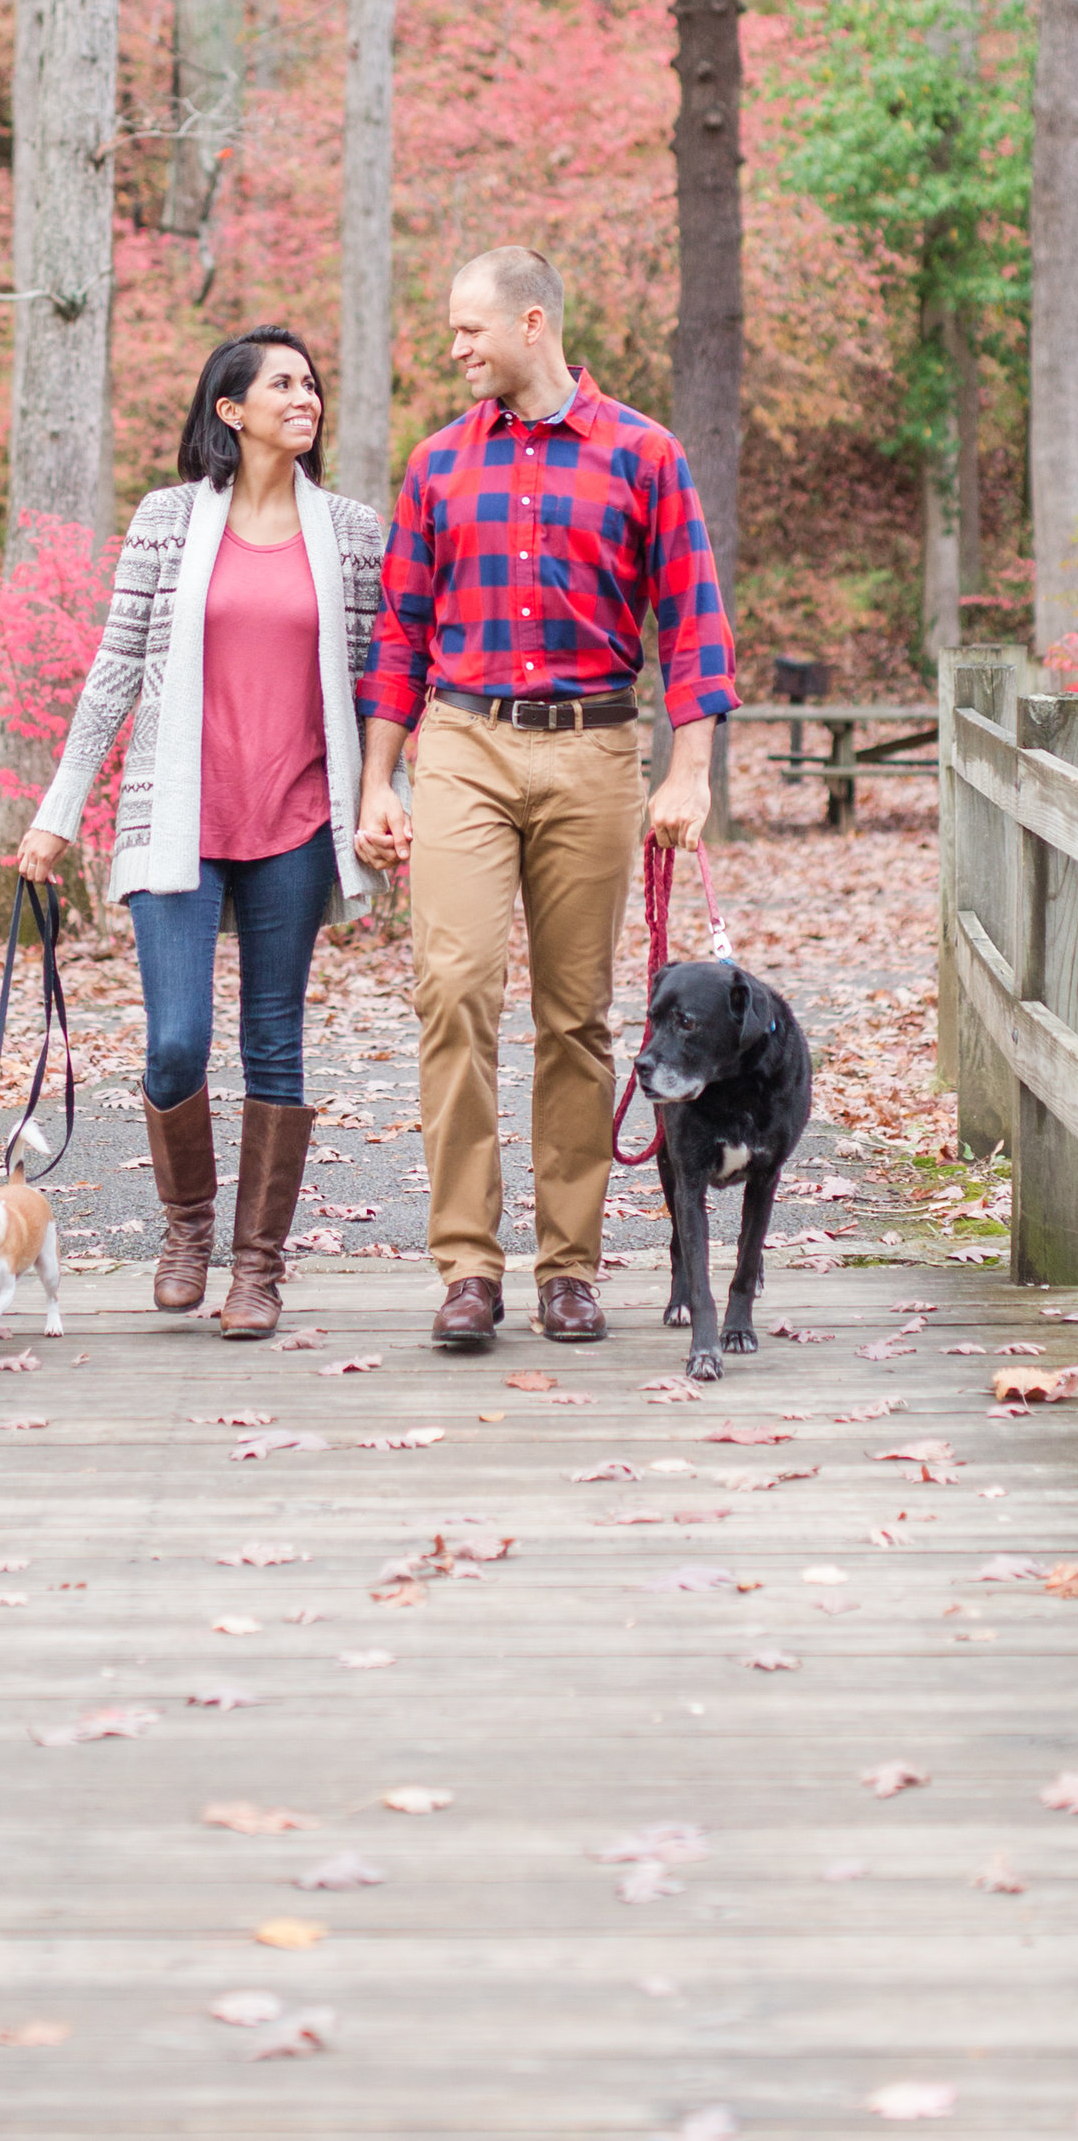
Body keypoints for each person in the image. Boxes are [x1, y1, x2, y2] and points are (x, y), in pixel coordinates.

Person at [354, 247, 736, 1351]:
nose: (455, 348)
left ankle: (569, 1267)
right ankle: (467, 1267)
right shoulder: (436, 466)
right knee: (455, 991)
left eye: (470, 330)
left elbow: (694, 622)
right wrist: (382, 781)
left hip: (594, 751)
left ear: (533, 324)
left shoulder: (644, 456)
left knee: (576, 1020)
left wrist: (688, 771)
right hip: (464, 743)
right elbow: (401, 636)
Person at [18, 327, 385, 1339]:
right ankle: (186, 1229)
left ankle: (256, 1269)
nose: (304, 397)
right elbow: (115, 671)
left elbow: (375, 684)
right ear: (231, 410)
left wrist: (389, 800)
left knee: (276, 1041)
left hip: (300, 819)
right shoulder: (170, 520)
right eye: (282, 384)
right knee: (176, 1043)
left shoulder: (352, 531)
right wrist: (58, 809)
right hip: (179, 816)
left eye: (312, 382)